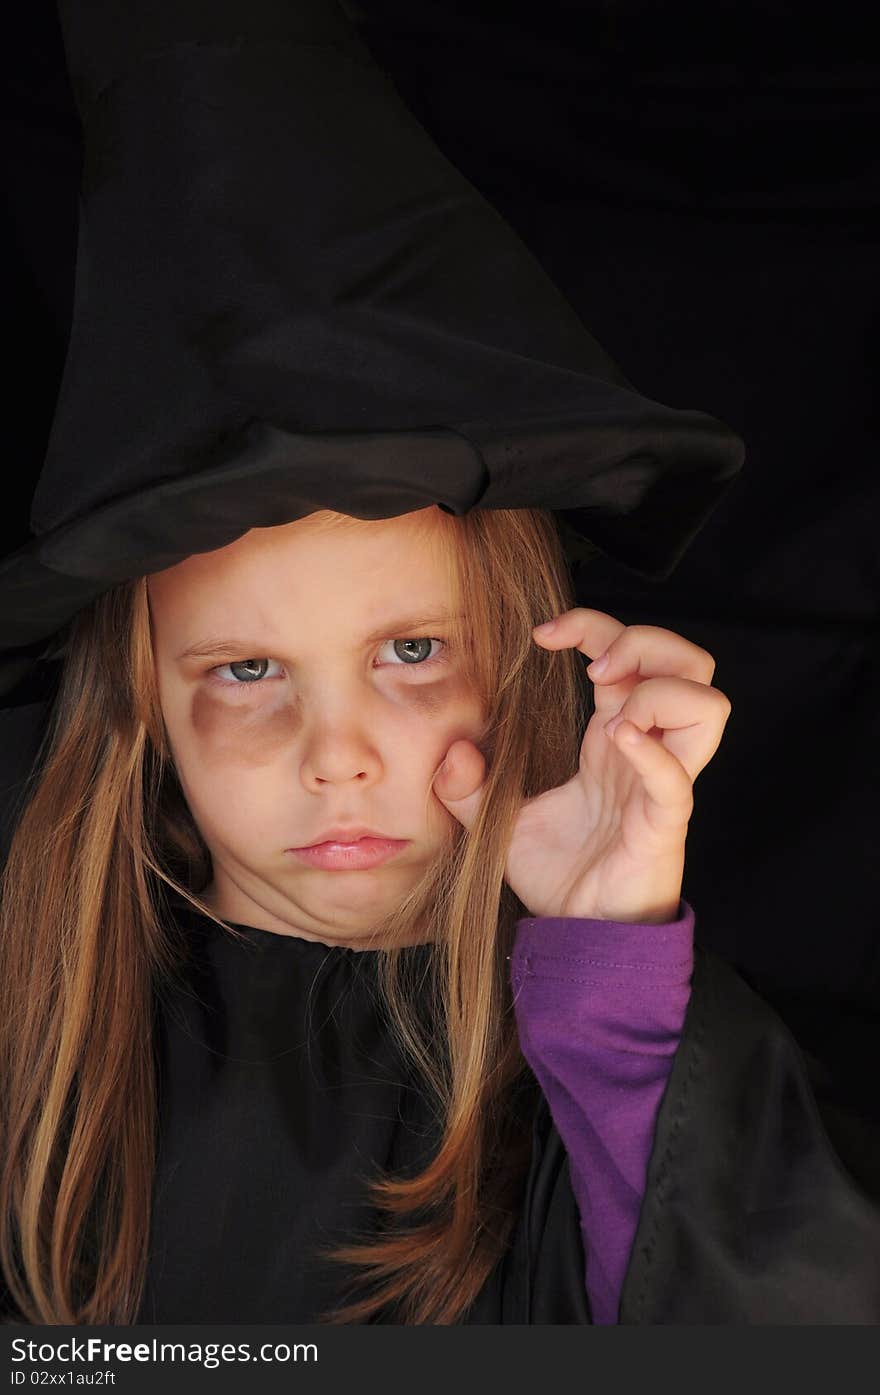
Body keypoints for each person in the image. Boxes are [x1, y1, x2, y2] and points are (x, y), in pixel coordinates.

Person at [1, 0, 879, 1326]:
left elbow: (783, 1319)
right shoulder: (39, 1044)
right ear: (143, 715)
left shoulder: (601, 1048)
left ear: (532, 665)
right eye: (245, 673)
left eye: (411, 652)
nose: (336, 753)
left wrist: (612, 954)